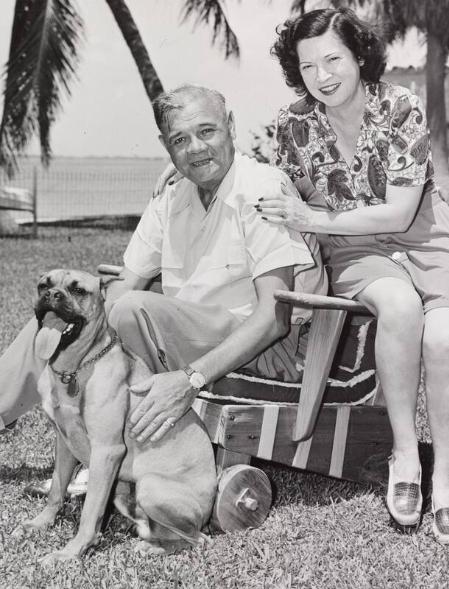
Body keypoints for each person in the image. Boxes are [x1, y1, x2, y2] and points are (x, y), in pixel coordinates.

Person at [255, 7, 449, 544]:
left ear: (359, 56)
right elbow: (280, 192)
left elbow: (399, 214)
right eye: (308, 65)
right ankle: (407, 457)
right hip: (355, 245)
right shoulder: (291, 124)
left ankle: (444, 482)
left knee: (446, 334)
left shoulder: (401, 107)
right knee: (401, 306)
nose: (323, 75)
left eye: (333, 59)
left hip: (424, 234)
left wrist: (312, 218)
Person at [0, 84, 326, 485]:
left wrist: (191, 379)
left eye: (207, 132)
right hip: (186, 333)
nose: (196, 149)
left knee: (131, 309)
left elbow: (273, 319)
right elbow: (123, 284)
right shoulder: (173, 195)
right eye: (180, 140)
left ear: (230, 126)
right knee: (64, 315)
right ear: (165, 146)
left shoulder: (259, 188)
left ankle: (113, 452)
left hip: (266, 347)